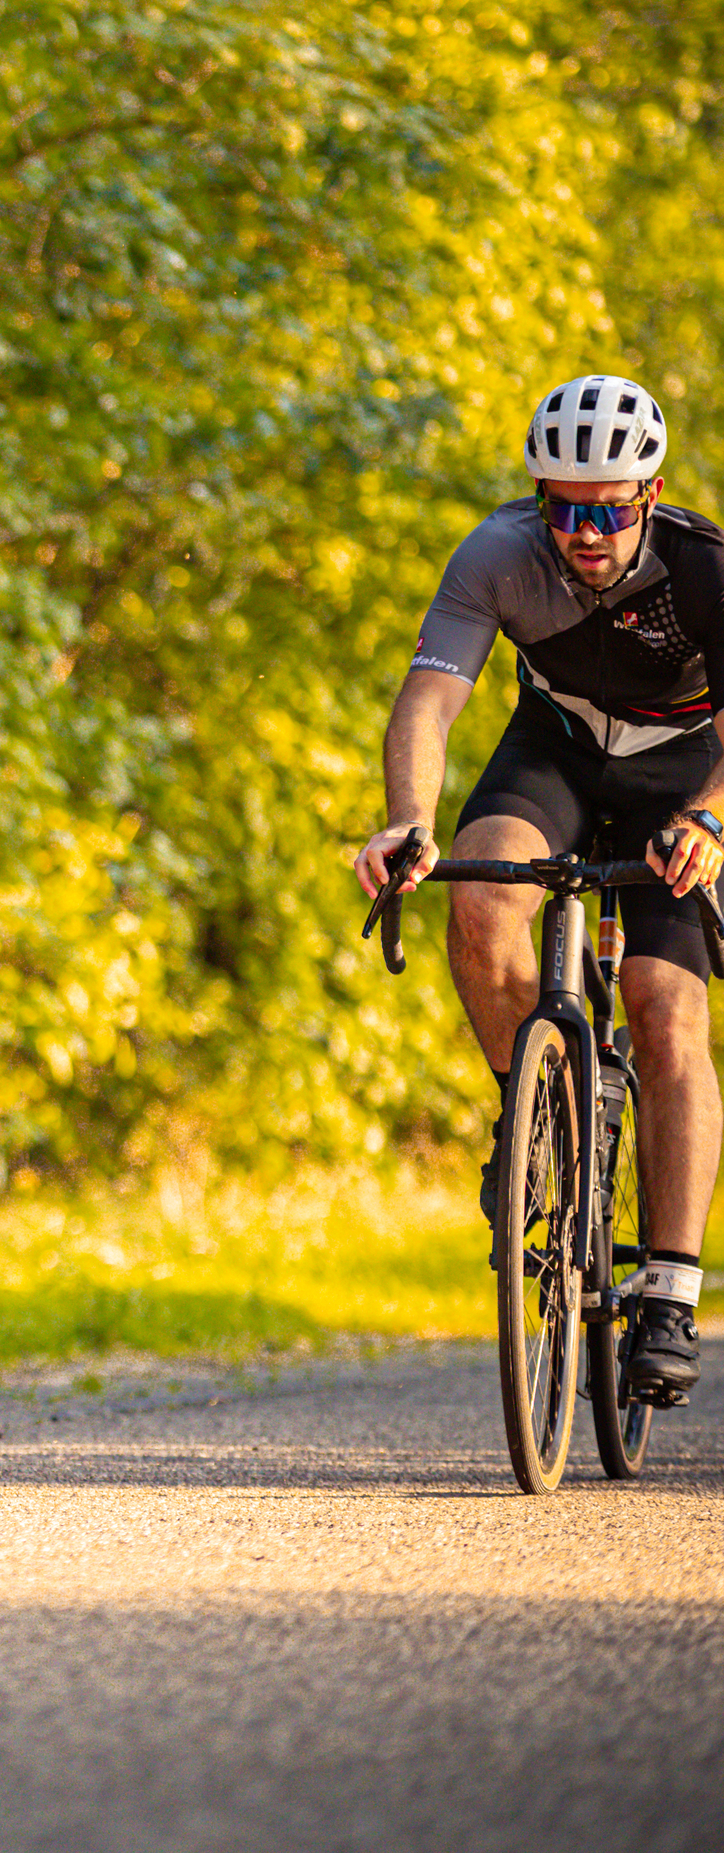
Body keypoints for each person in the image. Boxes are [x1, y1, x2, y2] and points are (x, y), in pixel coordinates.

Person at [355, 373, 724, 1404]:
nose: (581, 532)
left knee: (662, 1006)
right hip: (555, 751)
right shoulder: (497, 555)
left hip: (680, 773)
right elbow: (427, 703)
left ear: (644, 497)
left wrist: (706, 819)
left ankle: (666, 1291)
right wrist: (407, 823)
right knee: (476, 902)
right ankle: (538, 1120)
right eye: (560, 508)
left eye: (604, 510)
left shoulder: (701, 571)